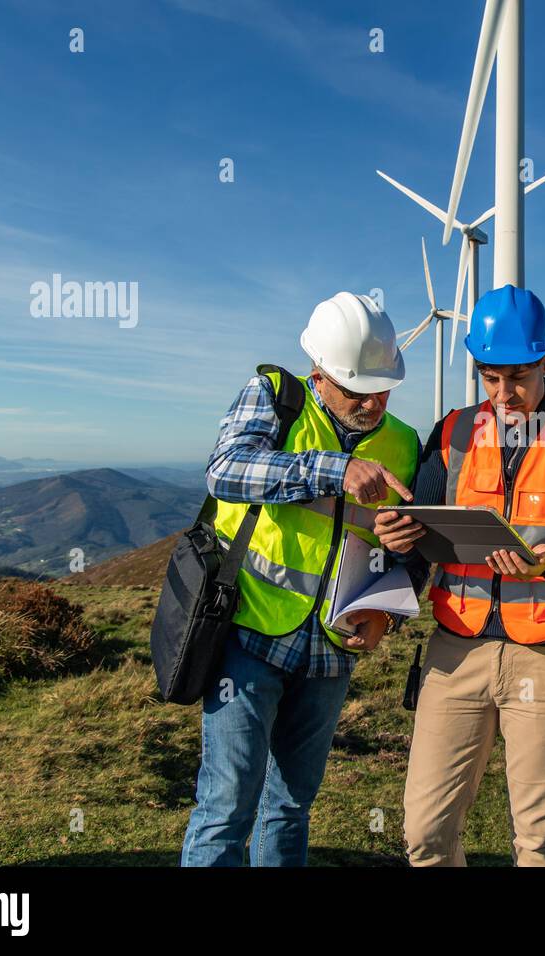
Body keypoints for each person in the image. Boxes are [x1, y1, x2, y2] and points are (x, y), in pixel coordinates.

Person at [374, 284, 545, 866]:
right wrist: (396, 551)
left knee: (537, 839)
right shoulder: (453, 430)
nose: (504, 392)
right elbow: (421, 534)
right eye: (490, 377)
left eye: (518, 376)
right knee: (424, 831)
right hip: (455, 653)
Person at [180, 292, 425, 867]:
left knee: (291, 803)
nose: (374, 402)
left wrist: (387, 610)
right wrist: (333, 468)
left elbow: (408, 545)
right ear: (319, 374)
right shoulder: (275, 396)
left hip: (332, 652)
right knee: (227, 805)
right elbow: (225, 470)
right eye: (359, 391)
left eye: (383, 388)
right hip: (251, 634)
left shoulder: (407, 442)